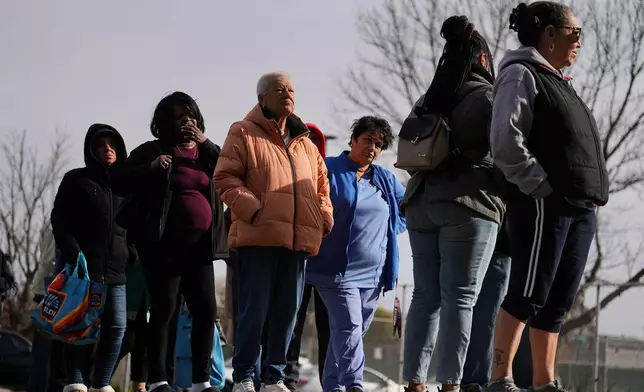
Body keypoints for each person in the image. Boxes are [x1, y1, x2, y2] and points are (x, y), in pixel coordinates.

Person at [486, 3, 608, 392]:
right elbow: (505, 140)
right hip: (545, 203)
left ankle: (544, 382)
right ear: (549, 34)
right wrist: (538, 184)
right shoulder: (521, 74)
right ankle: (499, 377)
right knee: (527, 291)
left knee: (556, 301)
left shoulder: (560, 81)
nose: (579, 42)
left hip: (581, 207)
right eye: (574, 33)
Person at [400, 16, 506, 392]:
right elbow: (507, 149)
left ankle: (414, 381)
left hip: (420, 202)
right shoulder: (489, 97)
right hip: (468, 203)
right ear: (482, 60)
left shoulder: (428, 98)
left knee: (425, 295)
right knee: (460, 297)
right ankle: (450, 383)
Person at [213, 72, 333, 392]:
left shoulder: (306, 144)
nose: (287, 94)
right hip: (259, 237)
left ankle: (274, 377)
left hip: (297, 241)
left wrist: (322, 215)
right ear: (261, 98)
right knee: (254, 311)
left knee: (287, 313)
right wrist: (254, 209)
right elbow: (224, 178)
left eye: (292, 89)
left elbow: (322, 186)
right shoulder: (242, 132)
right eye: (279, 89)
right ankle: (244, 376)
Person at [112, 91, 228, 392]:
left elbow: (229, 171)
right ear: (165, 122)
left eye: (190, 114)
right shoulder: (152, 150)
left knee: (205, 310)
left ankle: (201, 382)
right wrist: (151, 168)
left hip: (200, 248)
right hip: (163, 246)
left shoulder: (206, 154)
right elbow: (120, 180)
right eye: (179, 116)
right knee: (165, 311)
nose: (186, 120)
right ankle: (158, 379)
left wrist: (204, 142)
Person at [306, 116, 406, 392]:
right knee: (349, 326)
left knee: (349, 334)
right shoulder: (328, 169)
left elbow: (408, 207)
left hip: (374, 274)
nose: (372, 148)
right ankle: (354, 385)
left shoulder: (384, 179)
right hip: (334, 269)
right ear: (353, 140)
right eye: (367, 141)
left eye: (378, 144)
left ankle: (333, 386)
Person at [51, 124, 132, 392]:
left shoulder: (126, 185)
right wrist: (74, 252)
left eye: (112, 145)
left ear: (119, 150)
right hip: (82, 271)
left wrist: (131, 254)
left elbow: (136, 223)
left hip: (116, 272)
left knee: (116, 328)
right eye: (101, 145)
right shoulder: (76, 179)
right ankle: (75, 381)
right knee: (77, 326)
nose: (107, 149)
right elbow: (59, 219)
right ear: (92, 151)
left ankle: (101, 383)